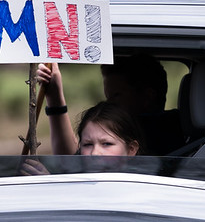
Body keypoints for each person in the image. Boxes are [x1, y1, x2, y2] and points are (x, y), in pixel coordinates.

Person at [36, 56, 184, 156]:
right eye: (87, 144)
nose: (108, 105)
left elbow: (67, 165)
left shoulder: (160, 133)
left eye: (116, 96)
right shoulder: (183, 130)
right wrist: (54, 97)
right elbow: (71, 161)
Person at [20, 101, 143, 176]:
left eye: (106, 144)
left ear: (131, 149)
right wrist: (49, 185)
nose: (94, 154)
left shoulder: (148, 189)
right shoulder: (73, 187)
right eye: (87, 145)